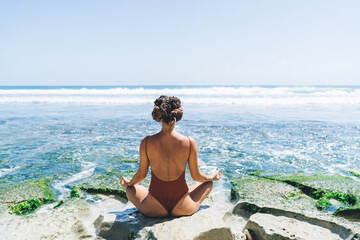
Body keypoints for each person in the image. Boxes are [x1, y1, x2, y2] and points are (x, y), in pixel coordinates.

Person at [120, 95, 221, 217]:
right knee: (208, 183)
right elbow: (196, 176)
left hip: (154, 207)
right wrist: (212, 177)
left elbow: (141, 175)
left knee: (130, 189)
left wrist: (128, 183)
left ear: (159, 116)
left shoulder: (146, 142)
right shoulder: (189, 142)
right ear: (178, 116)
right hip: (183, 206)